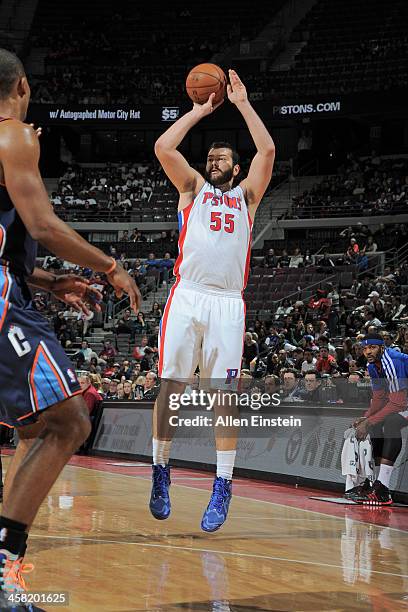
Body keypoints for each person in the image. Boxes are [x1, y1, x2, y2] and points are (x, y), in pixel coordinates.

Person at [0, 48, 141, 605]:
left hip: (13, 286)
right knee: (70, 421)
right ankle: (4, 563)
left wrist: (51, 283)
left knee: (34, 431)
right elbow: (41, 223)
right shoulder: (13, 134)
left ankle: (6, 570)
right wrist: (108, 264)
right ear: (24, 86)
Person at [150, 69, 275, 532]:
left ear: (237, 168)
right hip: (188, 296)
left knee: (226, 395)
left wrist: (242, 103)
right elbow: (165, 148)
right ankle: (161, 469)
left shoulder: (248, 198)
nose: (215, 159)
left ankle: (223, 484)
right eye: (211, 156)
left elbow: (268, 150)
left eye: (223, 156)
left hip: (227, 303)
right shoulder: (192, 189)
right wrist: (200, 111)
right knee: (172, 388)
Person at [347, 333, 408, 505]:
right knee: (374, 425)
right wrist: (366, 418)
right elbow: (380, 399)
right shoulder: (372, 365)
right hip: (403, 401)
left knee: (392, 422)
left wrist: (369, 421)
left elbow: (397, 404)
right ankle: (376, 483)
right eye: (365, 348)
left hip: (403, 402)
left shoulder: (392, 361)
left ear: (382, 347)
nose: (368, 352)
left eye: (372, 347)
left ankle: (383, 488)